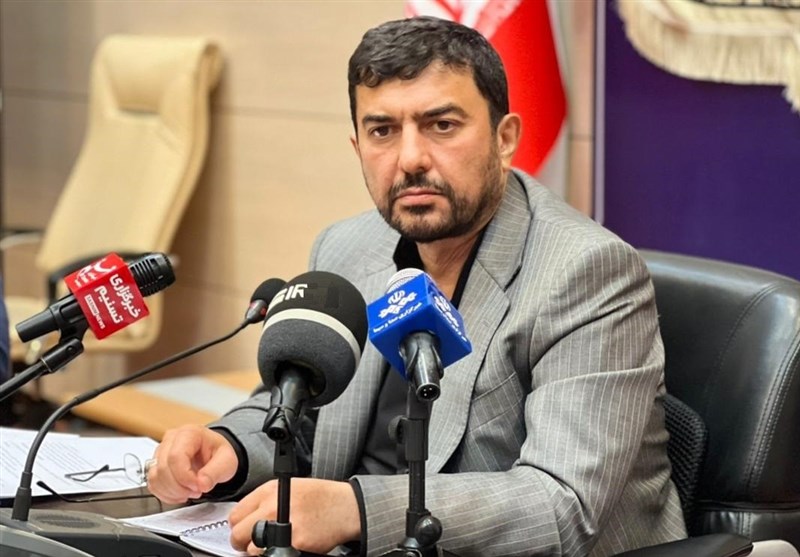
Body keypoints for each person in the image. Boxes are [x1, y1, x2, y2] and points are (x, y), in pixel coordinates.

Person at [147, 16, 686, 556]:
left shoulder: (586, 272)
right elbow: (299, 411)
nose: (410, 159)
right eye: (382, 131)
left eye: (442, 125)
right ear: (357, 146)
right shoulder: (346, 247)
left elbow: (561, 505)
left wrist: (356, 510)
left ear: (504, 139)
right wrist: (230, 447)